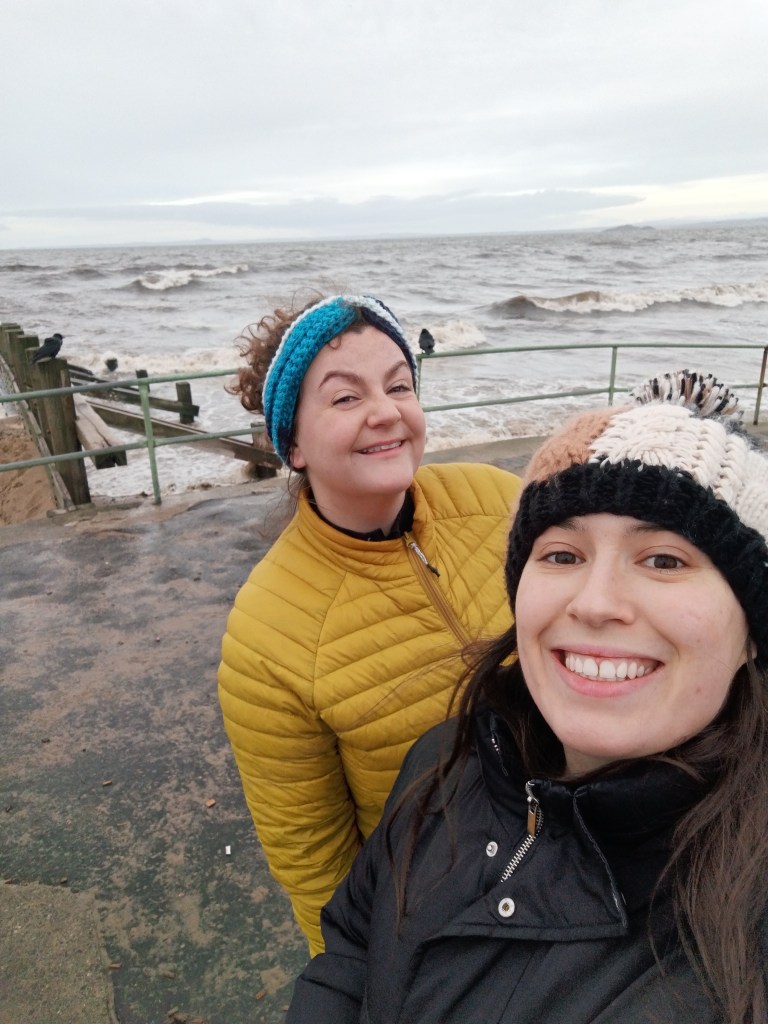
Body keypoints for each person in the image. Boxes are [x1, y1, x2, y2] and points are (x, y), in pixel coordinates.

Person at [286, 369, 768, 1023]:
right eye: (563, 555)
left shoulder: (742, 920)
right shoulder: (446, 759)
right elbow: (350, 949)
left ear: (751, 633)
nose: (595, 603)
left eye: (664, 560)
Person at [217, 293, 521, 955]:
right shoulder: (267, 635)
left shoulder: (497, 499)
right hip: (445, 918)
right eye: (345, 397)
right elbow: (314, 861)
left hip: (579, 849)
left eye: (399, 385)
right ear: (291, 443)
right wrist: (361, 982)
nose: (387, 411)